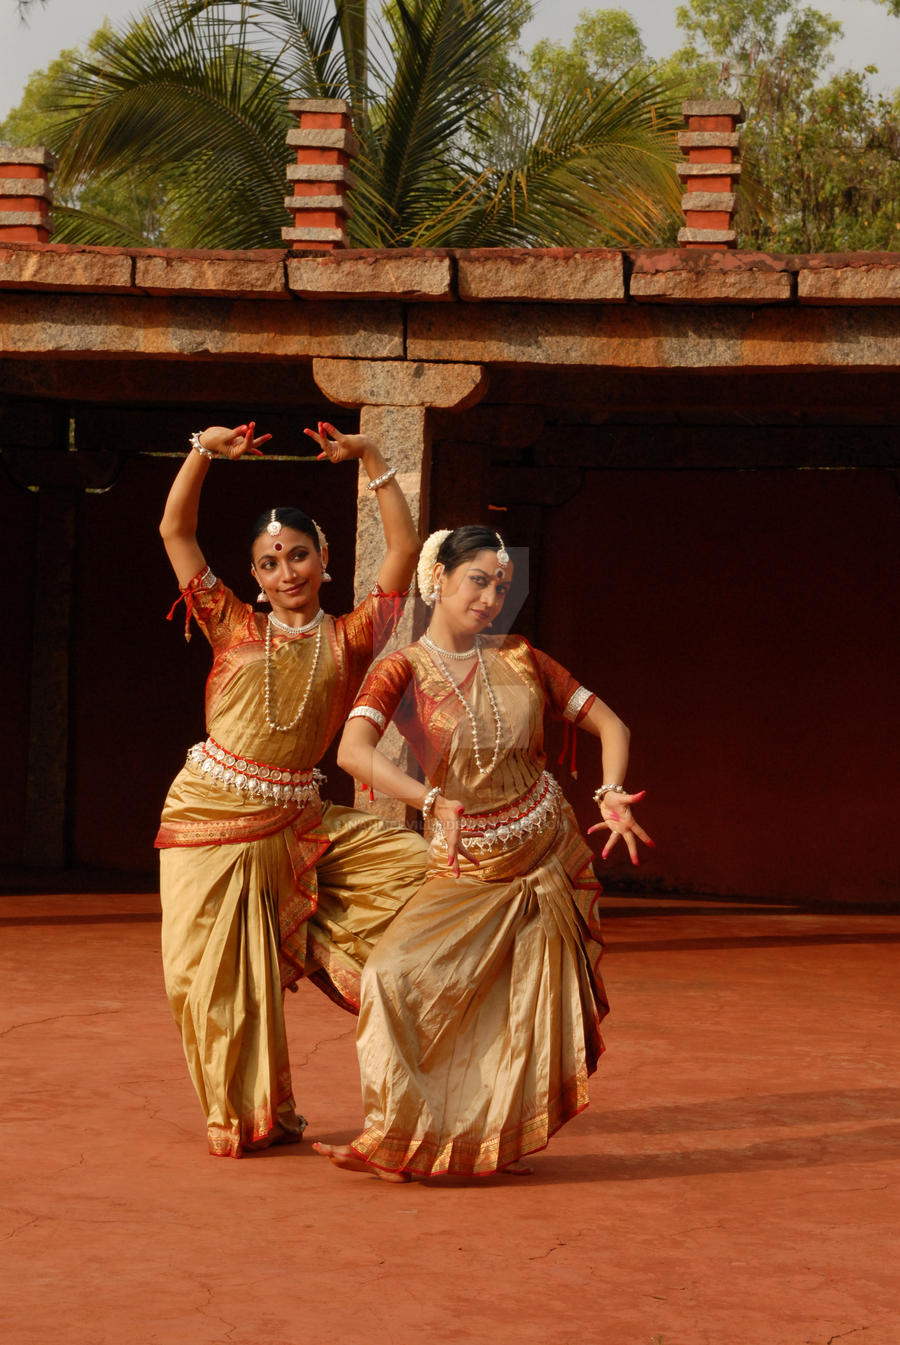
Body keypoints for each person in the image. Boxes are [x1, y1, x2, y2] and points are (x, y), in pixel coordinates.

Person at [314, 524, 653, 1180]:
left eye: (502, 583)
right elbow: (351, 752)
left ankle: (486, 1139)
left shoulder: (522, 656)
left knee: (518, 1004)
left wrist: (611, 791)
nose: (493, 595)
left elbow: (612, 723)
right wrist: (425, 797)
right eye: (478, 579)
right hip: (466, 862)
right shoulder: (403, 668)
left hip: (545, 854)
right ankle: (392, 1129)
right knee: (392, 977)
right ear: (437, 578)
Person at [155, 419, 428, 1158]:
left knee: (427, 877)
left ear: (325, 559)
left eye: (299, 554)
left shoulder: (354, 636)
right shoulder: (230, 623)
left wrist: (372, 458)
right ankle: (249, 1114)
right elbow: (175, 528)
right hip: (207, 820)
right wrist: (203, 452)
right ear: (254, 576)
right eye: (271, 561)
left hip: (298, 825)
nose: (287, 571)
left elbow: (403, 549)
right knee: (203, 981)